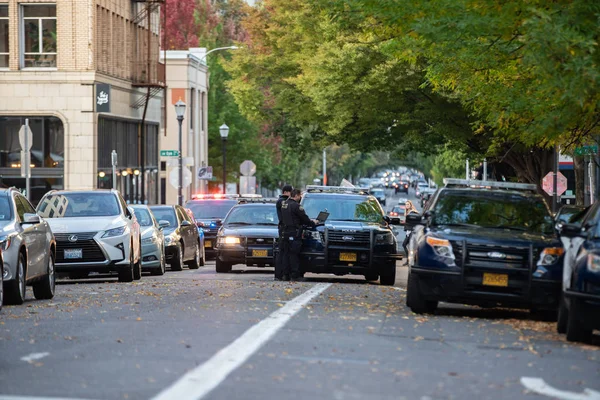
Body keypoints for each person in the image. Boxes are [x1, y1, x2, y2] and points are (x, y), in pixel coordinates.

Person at [280, 189, 316, 281]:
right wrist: (313, 222)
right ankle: (294, 275)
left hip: (285, 232)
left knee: (286, 254)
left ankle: (285, 275)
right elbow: (305, 219)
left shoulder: (284, 204)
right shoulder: (297, 206)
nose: (300, 198)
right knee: (294, 254)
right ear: (296, 195)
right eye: (300, 196)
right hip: (294, 233)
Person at [274, 185, 293, 281]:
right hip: (284, 229)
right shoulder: (282, 201)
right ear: (286, 192)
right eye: (291, 192)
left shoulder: (282, 201)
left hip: (284, 229)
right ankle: (280, 274)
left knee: (284, 252)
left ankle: (282, 274)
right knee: (282, 252)